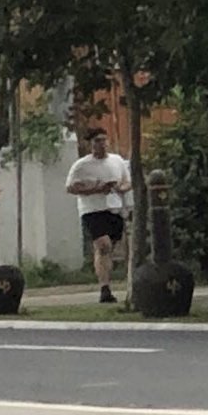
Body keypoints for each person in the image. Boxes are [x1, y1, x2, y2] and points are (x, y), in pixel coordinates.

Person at [66, 128, 132, 304]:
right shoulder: (82, 165)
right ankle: (104, 287)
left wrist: (119, 188)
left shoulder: (117, 161)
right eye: (97, 141)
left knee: (111, 248)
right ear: (90, 144)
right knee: (103, 245)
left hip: (114, 207)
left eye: (103, 140)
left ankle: (112, 280)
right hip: (92, 209)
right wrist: (94, 189)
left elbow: (127, 182)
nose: (101, 144)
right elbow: (71, 187)